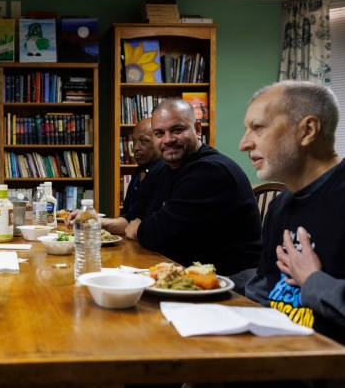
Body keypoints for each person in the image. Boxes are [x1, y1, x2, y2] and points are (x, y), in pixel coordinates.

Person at [239, 80, 345, 345]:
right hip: (273, 352)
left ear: (307, 130)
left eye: (258, 128)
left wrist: (311, 280)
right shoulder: (280, 206)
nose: (244, 144)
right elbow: (264, 287)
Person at [125, 99, 263, 276]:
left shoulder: (210, 171)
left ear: (197, 130)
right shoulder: (163, 171)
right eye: (159, 133)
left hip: (228, 281)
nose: (168, 140)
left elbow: (158, 233)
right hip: (183, 270)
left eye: (177, 130)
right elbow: (137, 216)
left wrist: (139, 228)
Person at [65, 117, 164, 234]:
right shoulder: (140, 171)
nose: (136, 148)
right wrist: (90, 219)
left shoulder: (162, 172)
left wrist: (94, 220)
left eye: (143, 141)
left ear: (160, 141)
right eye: (134, 141)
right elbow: (128, 220)